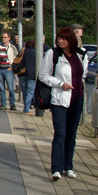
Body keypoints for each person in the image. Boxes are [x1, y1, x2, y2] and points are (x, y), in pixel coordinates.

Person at [39, 26, 88, 181]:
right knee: (60, 133)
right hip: (60, 99)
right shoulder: (53, 54)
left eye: (64, 38)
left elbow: (83, 75)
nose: (60, 41)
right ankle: (57, 169)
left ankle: (68, 166)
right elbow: (43, 75)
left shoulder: (81, 55)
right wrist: (60, 84)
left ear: (71, 40)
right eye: (59, 38)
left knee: (72, 134)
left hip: (77, 99)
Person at [0, 32, 17, 110]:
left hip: (8, 70)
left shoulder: (12, 48)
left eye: (5, 37)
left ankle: (12, 104)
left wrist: (12, 67)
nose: (3, 39)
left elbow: (15, 58)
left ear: (9, 38)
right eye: (2, 37)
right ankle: (3, 104)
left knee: (10, 88)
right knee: (2, 88)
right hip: (0, 69)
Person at [18, 39, 36, 114]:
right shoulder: (35, 52)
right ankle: (26, 109)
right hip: (32, 74)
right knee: (30, 91)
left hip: (22, 73)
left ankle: (26, 107)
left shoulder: (23, 51)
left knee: (24, 91)